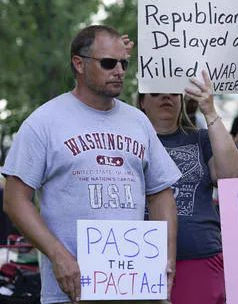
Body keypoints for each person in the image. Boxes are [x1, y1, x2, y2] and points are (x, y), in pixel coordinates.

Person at [2, 25, 181, 304]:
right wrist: (58, 254)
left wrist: (166, 259)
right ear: (79, 64)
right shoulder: (44, 122)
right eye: (109, 63)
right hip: (71, 292)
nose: (120, 71)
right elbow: (14, 200)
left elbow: (161, 193)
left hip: (135, 288)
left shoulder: (138, 121)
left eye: (124, 63)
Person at [138, 70, 238, 304]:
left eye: (174, 92)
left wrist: (210, 111)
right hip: (140, 259)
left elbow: (231, 175)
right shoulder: (129, 142)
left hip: (200, 255)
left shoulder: (201, 138)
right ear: (142, 102)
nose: (167, 97)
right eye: (156, 92)